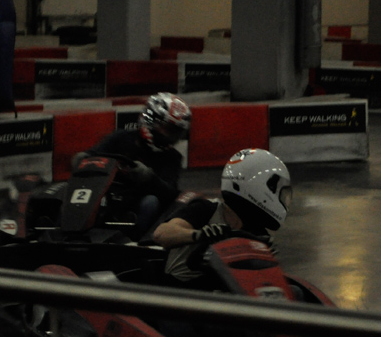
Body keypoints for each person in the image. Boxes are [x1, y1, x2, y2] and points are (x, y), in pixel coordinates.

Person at [152, 148, 292, 290]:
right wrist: (200, 235)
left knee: (295, 291)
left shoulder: (256, 231)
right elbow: (161, 234)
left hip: (223, 292)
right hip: (184, 292)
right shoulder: (205, 209)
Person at [72, 92, 191, 231]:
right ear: (151, 120)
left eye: (175, 132)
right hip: (107, 193)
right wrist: (82, 158)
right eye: (168, 129)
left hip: (136, 201)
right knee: (66, 190)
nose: (171, 136)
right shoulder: (121, 138)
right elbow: (93, 155)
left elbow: (170, 193)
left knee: (151, 202)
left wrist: (149, 177)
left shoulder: (172, 157)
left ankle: (134, 237)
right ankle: (66, 226)